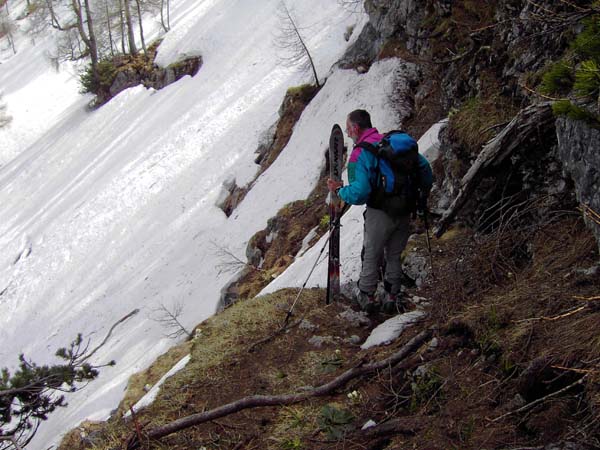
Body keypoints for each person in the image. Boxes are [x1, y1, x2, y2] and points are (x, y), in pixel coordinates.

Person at [327, 109, 433, 314]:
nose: (348, 134)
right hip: (405, 209)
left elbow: (360, 193)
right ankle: (391, 296)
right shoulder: (392, 143)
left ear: (356, 128)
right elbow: (425, 168)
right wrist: (421, 196)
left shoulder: (361, 153)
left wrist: (340, 190)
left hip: (380, 212)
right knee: (394, 254)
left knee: (372, 254)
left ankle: (367, 295)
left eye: (348, 129)